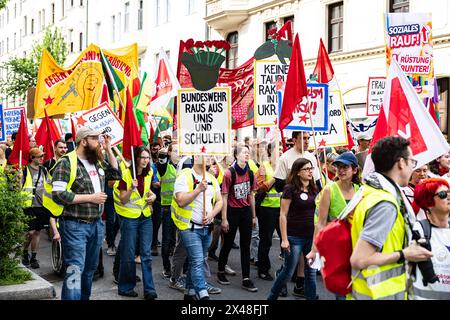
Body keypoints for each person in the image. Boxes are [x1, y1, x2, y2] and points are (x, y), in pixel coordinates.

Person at [348, 136, 433, 300]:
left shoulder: (370, 191)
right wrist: (405, 254)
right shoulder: (385, 204)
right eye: (412, 162)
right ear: (401, 163)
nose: (412, 168)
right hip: (379, 295)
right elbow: (360, 259)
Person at [51, 126, 120, 300]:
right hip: (75, 225)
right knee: (74, 269)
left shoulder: (96, 161)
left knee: (89, 270)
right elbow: (58, 195)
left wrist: (109, 148)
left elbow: (115, 173)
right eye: (95, 139)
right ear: (83, 141)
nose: (99, 142)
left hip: (96, 225)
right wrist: (91, 198)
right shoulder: (66, 162)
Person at [307, 151, 361, 299]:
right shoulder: (329, 190)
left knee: (356, 287)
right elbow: (321, 223)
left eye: (345, 167)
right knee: (341, 288)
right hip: (336, 246)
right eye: (338, 167)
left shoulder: (360, 191)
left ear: (355, 170)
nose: (341, 170)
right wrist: (314, 250)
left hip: (356, 245)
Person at [172, 154, 223, 300]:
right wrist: (198, 189)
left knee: (197, 260)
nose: (208, 157)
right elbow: (181, 200)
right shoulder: (185, 175)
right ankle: (202, 293)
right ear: (195, 156)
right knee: (197, 260)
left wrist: (212, 214)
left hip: (206, 228)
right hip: (189, 227)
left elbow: (219, 201)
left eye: (209, 155)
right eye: (204, 154)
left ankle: (189, 292)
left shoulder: (212, 178)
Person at [267, 158, 318, 300]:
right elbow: (282, 215)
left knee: (311, 273)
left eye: (311, 168)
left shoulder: (314, 189)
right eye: (306, 169)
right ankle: (272, 297)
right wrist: (284, 239)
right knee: (288, 271)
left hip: (311, 237)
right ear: (297, 172)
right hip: (294, 237)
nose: (310, 171)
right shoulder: (289, 189)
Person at [114, 146, 158, 300]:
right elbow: (123, 199)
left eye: (147, 157)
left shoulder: (150, 172)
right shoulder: (126, 174)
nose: (145, 160)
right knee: (128, 253)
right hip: (129, 218)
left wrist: (153, 197)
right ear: (136, 158)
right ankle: (125, 287)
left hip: (145, 216)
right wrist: (132, 188)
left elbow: (149, 192)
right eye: (143, 157)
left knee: (146, 254)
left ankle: (149, 290)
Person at [217, 145, 258, 292]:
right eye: (244, 152)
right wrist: (224, 219)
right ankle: (221, 271)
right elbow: (224, 196)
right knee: (228, 243)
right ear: (236, 155)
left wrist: (253, 216)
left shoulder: (250, 173)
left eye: (248, 152)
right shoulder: (229, 173)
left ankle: (246, 278)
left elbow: (251, 195)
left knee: (245, 245)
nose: (247, 155)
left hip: (245, 211)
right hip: (232, 212)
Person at [409, 178, 450, 299]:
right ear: (429, 203)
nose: (448, 196)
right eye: (443, 194)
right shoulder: (418, 229)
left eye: (449, 192)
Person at [21, 148, 51, 269]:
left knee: (37, 232)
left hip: (41, 205)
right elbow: (19, 187)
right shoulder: (25, 170)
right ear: (32, 158)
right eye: (39, 156)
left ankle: (33, 257)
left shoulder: (44, 170)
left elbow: (49, 185)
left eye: (42, 156)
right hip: (28, 205)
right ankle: (24, 253)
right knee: (30, 232)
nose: (41, 158)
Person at [256, 141, 281, 281]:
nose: (281, 152)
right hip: (267, 209)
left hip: (282, 209)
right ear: (271, 152)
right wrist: (274, 178)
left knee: (286, 240)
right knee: (266, 240)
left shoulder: (284, 166)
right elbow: (259, 187)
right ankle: (263, 269)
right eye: (278, 149)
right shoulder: (264, 167)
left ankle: (287, 270)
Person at [156, 143, 179, 278]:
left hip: (182, 207)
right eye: (175, 151)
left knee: (179, 240)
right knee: (167, 238)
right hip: (167, 207)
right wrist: (162, 153)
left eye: (179, 150)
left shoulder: (184, 166)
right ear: (170, 153)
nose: (178, 153)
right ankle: (166, 267)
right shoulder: (165, 167)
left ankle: (180, 267)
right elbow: (161, 161)